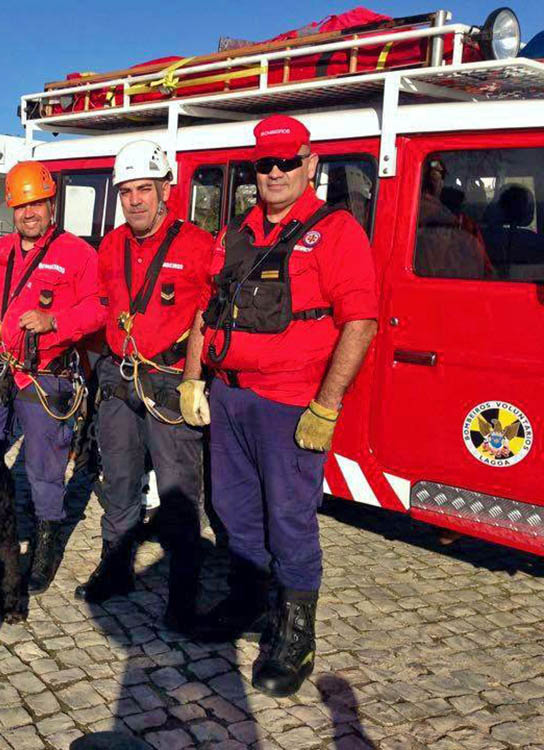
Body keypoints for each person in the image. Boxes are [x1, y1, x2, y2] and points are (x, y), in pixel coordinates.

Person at [179, 114, 378, 697]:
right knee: (233, 509)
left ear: (309, 164)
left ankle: (294, 637)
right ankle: (247, 601)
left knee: (288, 518)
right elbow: (206, 310)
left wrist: (327, 405)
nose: (274, 173)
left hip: (290, 404)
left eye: (287, 161)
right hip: (230, 396)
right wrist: (194, 379)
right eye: (264, 163)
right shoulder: (236, 231)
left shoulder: (335, 231)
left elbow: (360, 322)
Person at [74, 140, 214, 633]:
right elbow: (99, 305)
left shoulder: (198, 245)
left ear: (166, 191)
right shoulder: (111, 245)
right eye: (127, 191)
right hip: (119, 375)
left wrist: (194, 380)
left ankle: (182, 593)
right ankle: (116, 568)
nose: (135, 200)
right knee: (118, 478)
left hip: (170, 377)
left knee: (177, 491)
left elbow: (205, 316)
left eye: (145, 190)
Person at [0, 161, 104, 595]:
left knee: (44, 466)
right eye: (21, 206)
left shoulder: (77, 254)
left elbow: (98, 310)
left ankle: (44, 547)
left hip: (44, 378)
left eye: (37, 203)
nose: (29, 213)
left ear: (51, 203)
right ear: (12, 208)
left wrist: (55, 321)